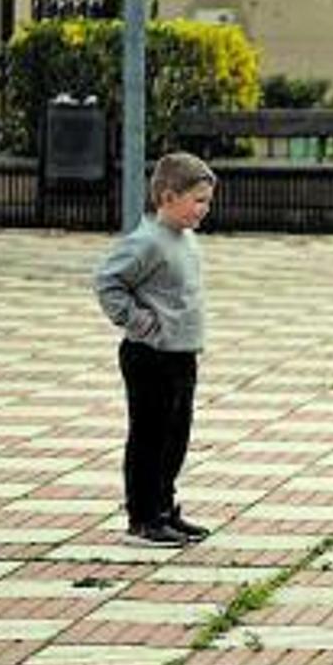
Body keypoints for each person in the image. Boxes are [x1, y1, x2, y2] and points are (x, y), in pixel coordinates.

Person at [94, 151, 217, 547]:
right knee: (150, 436)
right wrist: (138, 321)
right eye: (197, 200)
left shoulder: (185, 239)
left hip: (181, 354)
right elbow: (109, 283)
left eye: (207, 201)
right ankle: (143, 518)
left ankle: (164, 508)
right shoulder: (146, 241)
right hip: (150, 356)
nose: (204, 209)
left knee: (175, 437)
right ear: (167, 197)